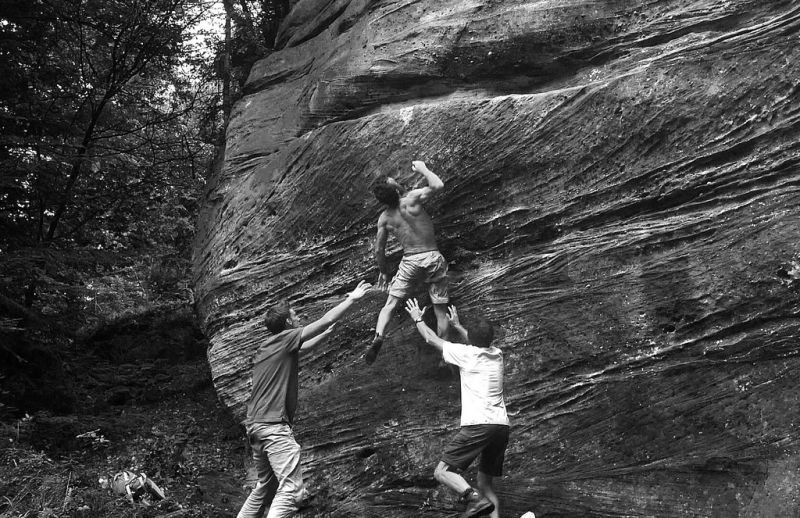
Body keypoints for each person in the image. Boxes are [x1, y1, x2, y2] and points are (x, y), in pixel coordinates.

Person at [237, 280, 372, 518]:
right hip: (273, 427)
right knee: (291, 491)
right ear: (288, 322)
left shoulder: (268, 346)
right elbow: (324, 321)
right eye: (295, 314)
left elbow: (302, 348)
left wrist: (325, 337)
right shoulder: (287, 337)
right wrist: (353, 298)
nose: (299, 317)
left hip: (255, 427)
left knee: (265, 487)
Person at [404, 298, 510, 518]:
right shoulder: (497, 354)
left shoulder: (466, 355)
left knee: (441, 472)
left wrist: (417, 318)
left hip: (479, 424)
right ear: (491, 339)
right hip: (501, 426)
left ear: (471, 339)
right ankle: (482, 500)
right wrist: (459, 327)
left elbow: (430, 338)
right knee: (486, 484)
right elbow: (477, 343)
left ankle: (473, 498)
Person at [366, 160, 450, 364]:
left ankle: (378, 336)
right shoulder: (412, 199)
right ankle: (444, 357)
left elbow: (379, 249)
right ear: (394, 188)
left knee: (390, 304)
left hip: (410, 261)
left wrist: (384, 271)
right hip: (431, 256)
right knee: (440, 311)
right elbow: (438, 185)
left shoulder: (384, 219)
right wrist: (423, 169)